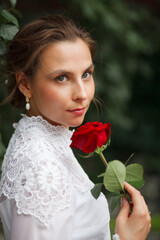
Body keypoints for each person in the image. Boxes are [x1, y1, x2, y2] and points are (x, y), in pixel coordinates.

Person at [0, 14, 151, 240]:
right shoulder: (42, 167)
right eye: (62, 78)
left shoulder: (40, 139)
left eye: (86, 74)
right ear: (25, 84)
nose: (82, 94)